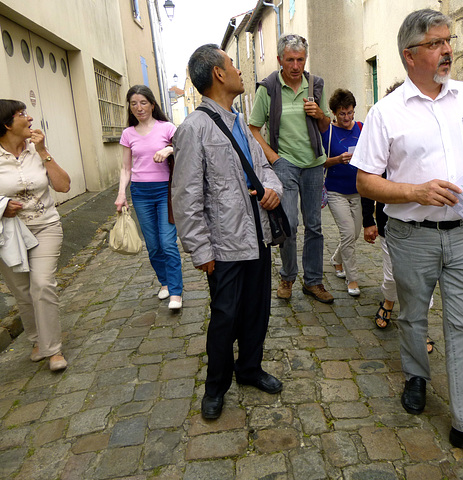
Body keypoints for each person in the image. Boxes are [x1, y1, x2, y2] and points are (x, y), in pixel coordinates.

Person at [351, 9, 463, 463]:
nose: (448, 50)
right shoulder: (385, 113)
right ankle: (416, 375)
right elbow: (365, 181)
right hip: (410, 236)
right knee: (411, 315)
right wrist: (415, 191)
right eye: (435, 43)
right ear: (409, 56)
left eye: (448, 41)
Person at [172, 44, 284, 420]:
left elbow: (264, 168)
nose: (238, 70)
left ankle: (249, 369)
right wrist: (200, 250)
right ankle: (215, 385)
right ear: (218, 73)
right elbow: (186, 195)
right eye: (233, 64)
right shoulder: (194, 128)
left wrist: (273, 190)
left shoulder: (240, 123)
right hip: (224, 245)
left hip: (258, 235)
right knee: (224, 318)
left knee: (257, 311)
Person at [249, 34, 334, 304]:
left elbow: (324, 126)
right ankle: (287, 276)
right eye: (290, 60)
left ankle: (313, 281)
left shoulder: (315, 84)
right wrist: (274, 157)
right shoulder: (269, 88)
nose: (296, 65)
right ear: (279, 60)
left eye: (300, 59)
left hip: (313, 164)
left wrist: (320, 115)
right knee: (289, 223)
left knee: (315, 225)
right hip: (284, 163)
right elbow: (253, 128)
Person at [361, 81, 435, 353]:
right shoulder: (384, 140)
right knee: (393, 277)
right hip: (391, 225)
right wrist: (368, 220)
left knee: (422, 282)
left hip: (426, 226)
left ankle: (420, 329)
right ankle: (388, 302)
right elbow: (368, 183)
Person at [0, 99, 71, 371]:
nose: (29, 118)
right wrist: (3, 205)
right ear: (7, 124)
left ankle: (53, 350)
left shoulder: (36, 150)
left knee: (41, 284)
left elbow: (64, 186)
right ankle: (37, 340)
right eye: (21, 114)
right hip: (9, 234)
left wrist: (43, 152)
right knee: (22, 291)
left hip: (45, 226)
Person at [115, 85, 183, 311]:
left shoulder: (167, 128)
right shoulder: (128, 134)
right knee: (153, 245)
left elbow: (185, 146)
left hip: (165, 191)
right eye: (134, 103)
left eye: (143, 102)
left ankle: (175, 291)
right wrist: (121, 194)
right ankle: (164, 281)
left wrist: (169, 150)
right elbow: (126, 168)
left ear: (152, 104)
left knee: (167, 242)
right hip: (140, 192)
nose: (139, 107)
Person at [321, 89, 363, 297]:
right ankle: (352, 277)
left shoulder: (362, 128)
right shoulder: (327, 132)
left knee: (355, 234)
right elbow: (320, 162)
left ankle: (336, 259)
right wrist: (338, 160)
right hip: (336, 191)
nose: (346, 118)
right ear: (335, 113)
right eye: (342, 113)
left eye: (349, 112)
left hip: (358, 191)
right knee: (347, 233)